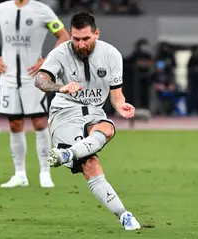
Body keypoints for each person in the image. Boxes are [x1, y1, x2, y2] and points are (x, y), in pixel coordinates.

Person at [34, 12, 141, 230]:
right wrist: (60, 87)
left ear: (96, 34)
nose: (80, 44)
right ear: (71, 35)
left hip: (94, 112)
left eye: (86, 39)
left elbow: (116, 95)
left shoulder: (112, 55)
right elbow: (40, 79)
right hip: (65, 114)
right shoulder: (60, 53)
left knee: (108, 129)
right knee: (90, 163)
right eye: (76, 39)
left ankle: (68, 154)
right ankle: (123, 214)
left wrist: (120, 105)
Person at [0, 0, 70, 188]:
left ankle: (45, 173)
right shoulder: (1, 9)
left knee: (39, 122)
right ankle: (20, 174)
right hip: (7, 77)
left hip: (32, 77)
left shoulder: (42, 10)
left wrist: (46, 60)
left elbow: (64, 36)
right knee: (14, 123)